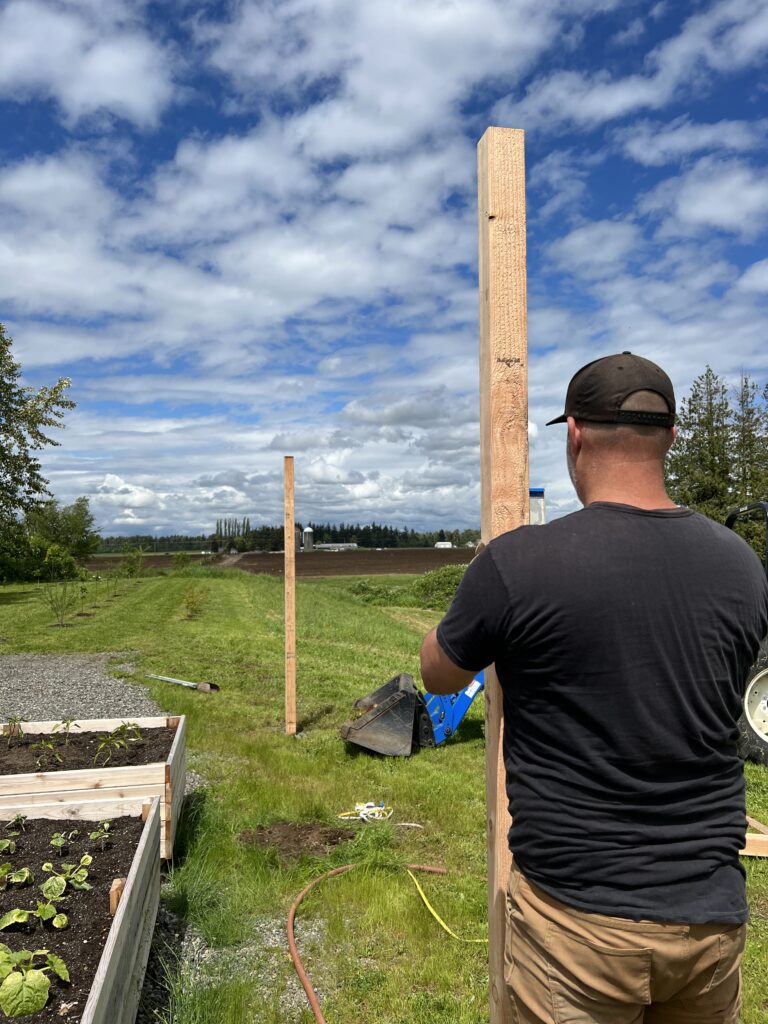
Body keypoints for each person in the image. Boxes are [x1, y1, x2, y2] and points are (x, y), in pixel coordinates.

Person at [420, 352, 768, 1024]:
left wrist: (473, 610)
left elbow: (441, 675)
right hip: (710, 919)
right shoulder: (742, 566)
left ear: (575, 434)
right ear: (670, 437)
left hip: (575, 924)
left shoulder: (520, 564)